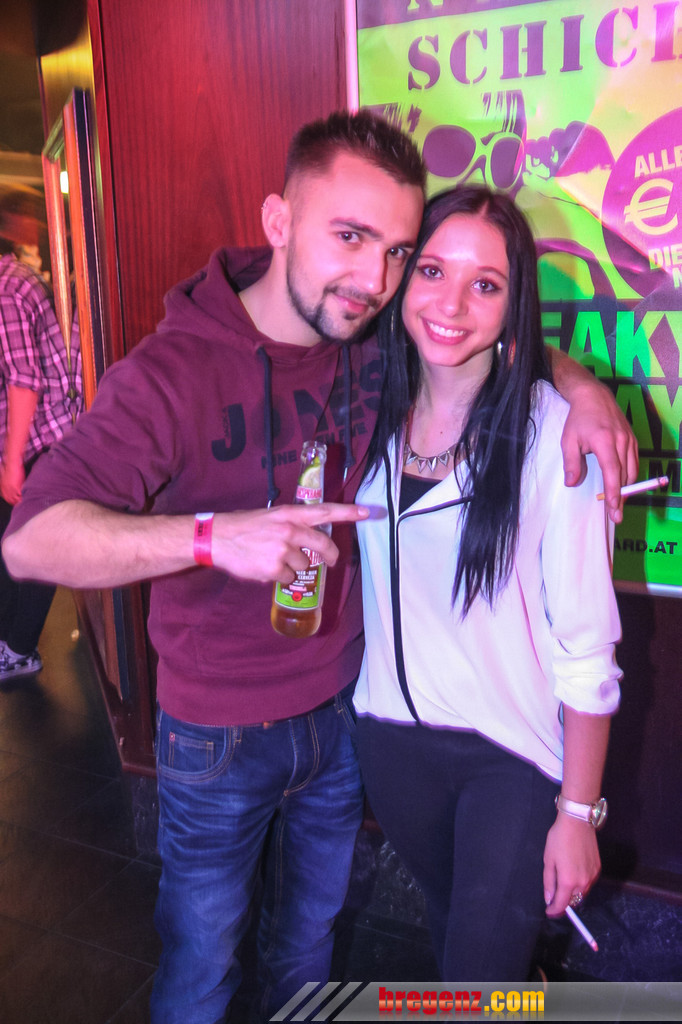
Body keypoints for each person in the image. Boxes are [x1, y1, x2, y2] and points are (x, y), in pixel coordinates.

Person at [2, 113, 634, 1020]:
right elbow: (29, 540)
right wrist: (212, 538)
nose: (374, 279)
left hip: (341, 722)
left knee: (310, 952)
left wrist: (583, 390)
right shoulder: (172, 373)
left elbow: (475, 326)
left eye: (396, 252)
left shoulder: (370, 343)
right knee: (202, 966)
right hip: (217, 735)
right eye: (350, 237)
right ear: (279, 221)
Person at [353, 185, 623, 982]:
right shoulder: (363, 412)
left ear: (514, 305)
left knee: (472, 982)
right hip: (390, 747)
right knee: (460, 950)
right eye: (433, 270)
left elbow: (587, 645)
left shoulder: (556, 436)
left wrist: (578, 812)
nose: (451, 304)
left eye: (486, 284)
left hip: (509, 764)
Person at [0, 192, 81, 682]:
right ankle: (10, 643)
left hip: (42, 439)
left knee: (35, 544)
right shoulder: (12, 281)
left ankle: (18, 649)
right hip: (32, 438)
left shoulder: (7, 289)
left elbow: (24, 381)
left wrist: (12, 462)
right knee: (14, 542)